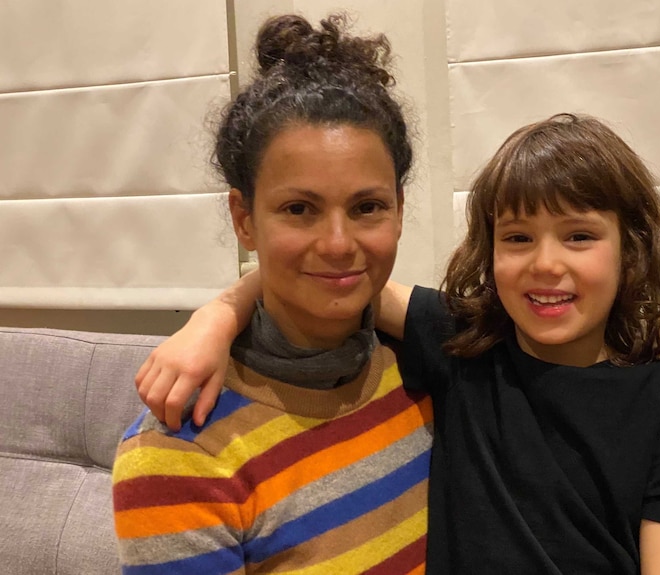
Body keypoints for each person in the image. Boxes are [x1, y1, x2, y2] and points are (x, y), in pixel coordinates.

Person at [137, 113, 660, 574]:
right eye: (517, 238)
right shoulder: (464, 342)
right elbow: (335, 284)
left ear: (630, 246)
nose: (546, 264)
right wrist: (213, 321)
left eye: (580, 236)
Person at [112, 14, 433, 575]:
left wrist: (222, 309)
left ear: (399, 212)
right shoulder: (181, 448)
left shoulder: (423, 364)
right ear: (244, 219)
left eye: (367, 207)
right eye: (298, 209)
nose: (338, 244)